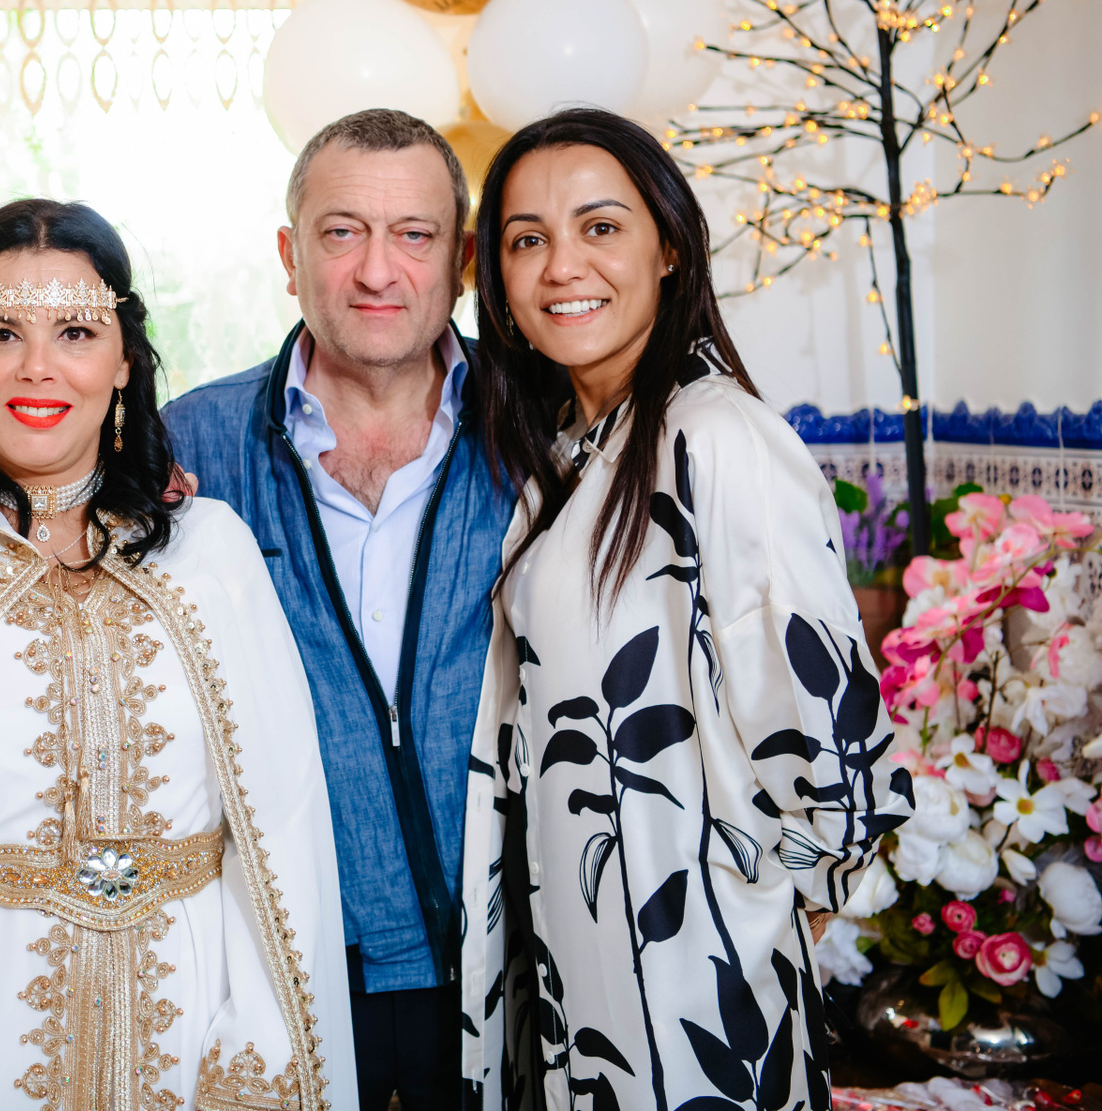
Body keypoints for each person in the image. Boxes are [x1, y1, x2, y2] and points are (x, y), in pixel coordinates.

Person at [0, 198, 358, 1110]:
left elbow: (279, 828)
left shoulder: (208, 548)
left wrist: (263, 1039)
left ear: (124, 360)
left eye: (77, 333)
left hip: (188, 1003)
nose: (37, 367)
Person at [471, 108, 914, 1110]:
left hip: (697, 982)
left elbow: (834, 740)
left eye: (600, 227)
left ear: (669, 246)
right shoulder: (565, 451)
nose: (561, 266)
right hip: (582, 967)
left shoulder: (716, 438)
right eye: (527, 240)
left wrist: (752, 913)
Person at [162, 108, 515, 1109]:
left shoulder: (538, 430)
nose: (376, 270)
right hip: (285, 959)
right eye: (342, 232)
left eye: (414, 235)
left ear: (462, 261)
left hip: (506, 962)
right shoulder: (189, 443)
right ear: (290, 255)